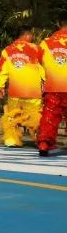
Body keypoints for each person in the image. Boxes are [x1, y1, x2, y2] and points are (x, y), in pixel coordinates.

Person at [0, 29, 43, 148]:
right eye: (31, 34)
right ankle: (40, 140)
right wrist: (46, 82)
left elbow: (2, 70)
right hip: (33, 91)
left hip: (15, 91)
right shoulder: (35, 49)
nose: (32, 37)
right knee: (36, 116)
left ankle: (11, 140)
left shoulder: (7, 50)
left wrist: (0, 86)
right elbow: (43, 68)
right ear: (27, 35)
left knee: (12, 116)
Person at [37, 18, 67, 157]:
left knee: (49, 115)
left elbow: (37, 63)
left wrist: (43, 79)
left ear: (59, 25)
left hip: (53, 85)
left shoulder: (46, 43)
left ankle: (44, 143)